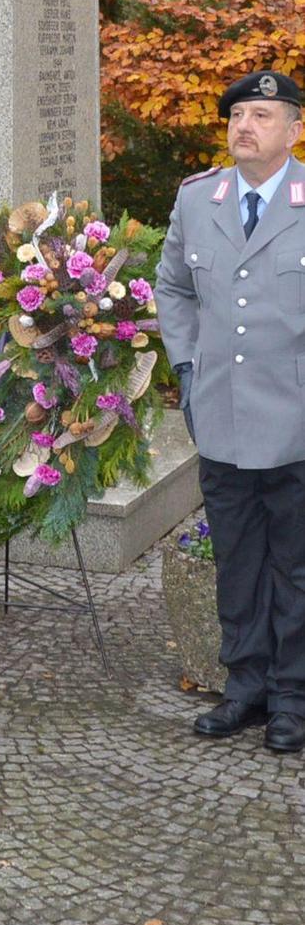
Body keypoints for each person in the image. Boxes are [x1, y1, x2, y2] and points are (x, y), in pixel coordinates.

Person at [156, 68, 305, 754]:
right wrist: (187, 365)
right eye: (238, 115)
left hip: (296, 418)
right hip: (219, 413)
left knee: (296, 562)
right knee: (238, 555)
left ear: (294, 129)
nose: (245, 126)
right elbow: (173, 286)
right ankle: (244, 685)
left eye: (263, 115)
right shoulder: (198, 199)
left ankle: (293, 695)